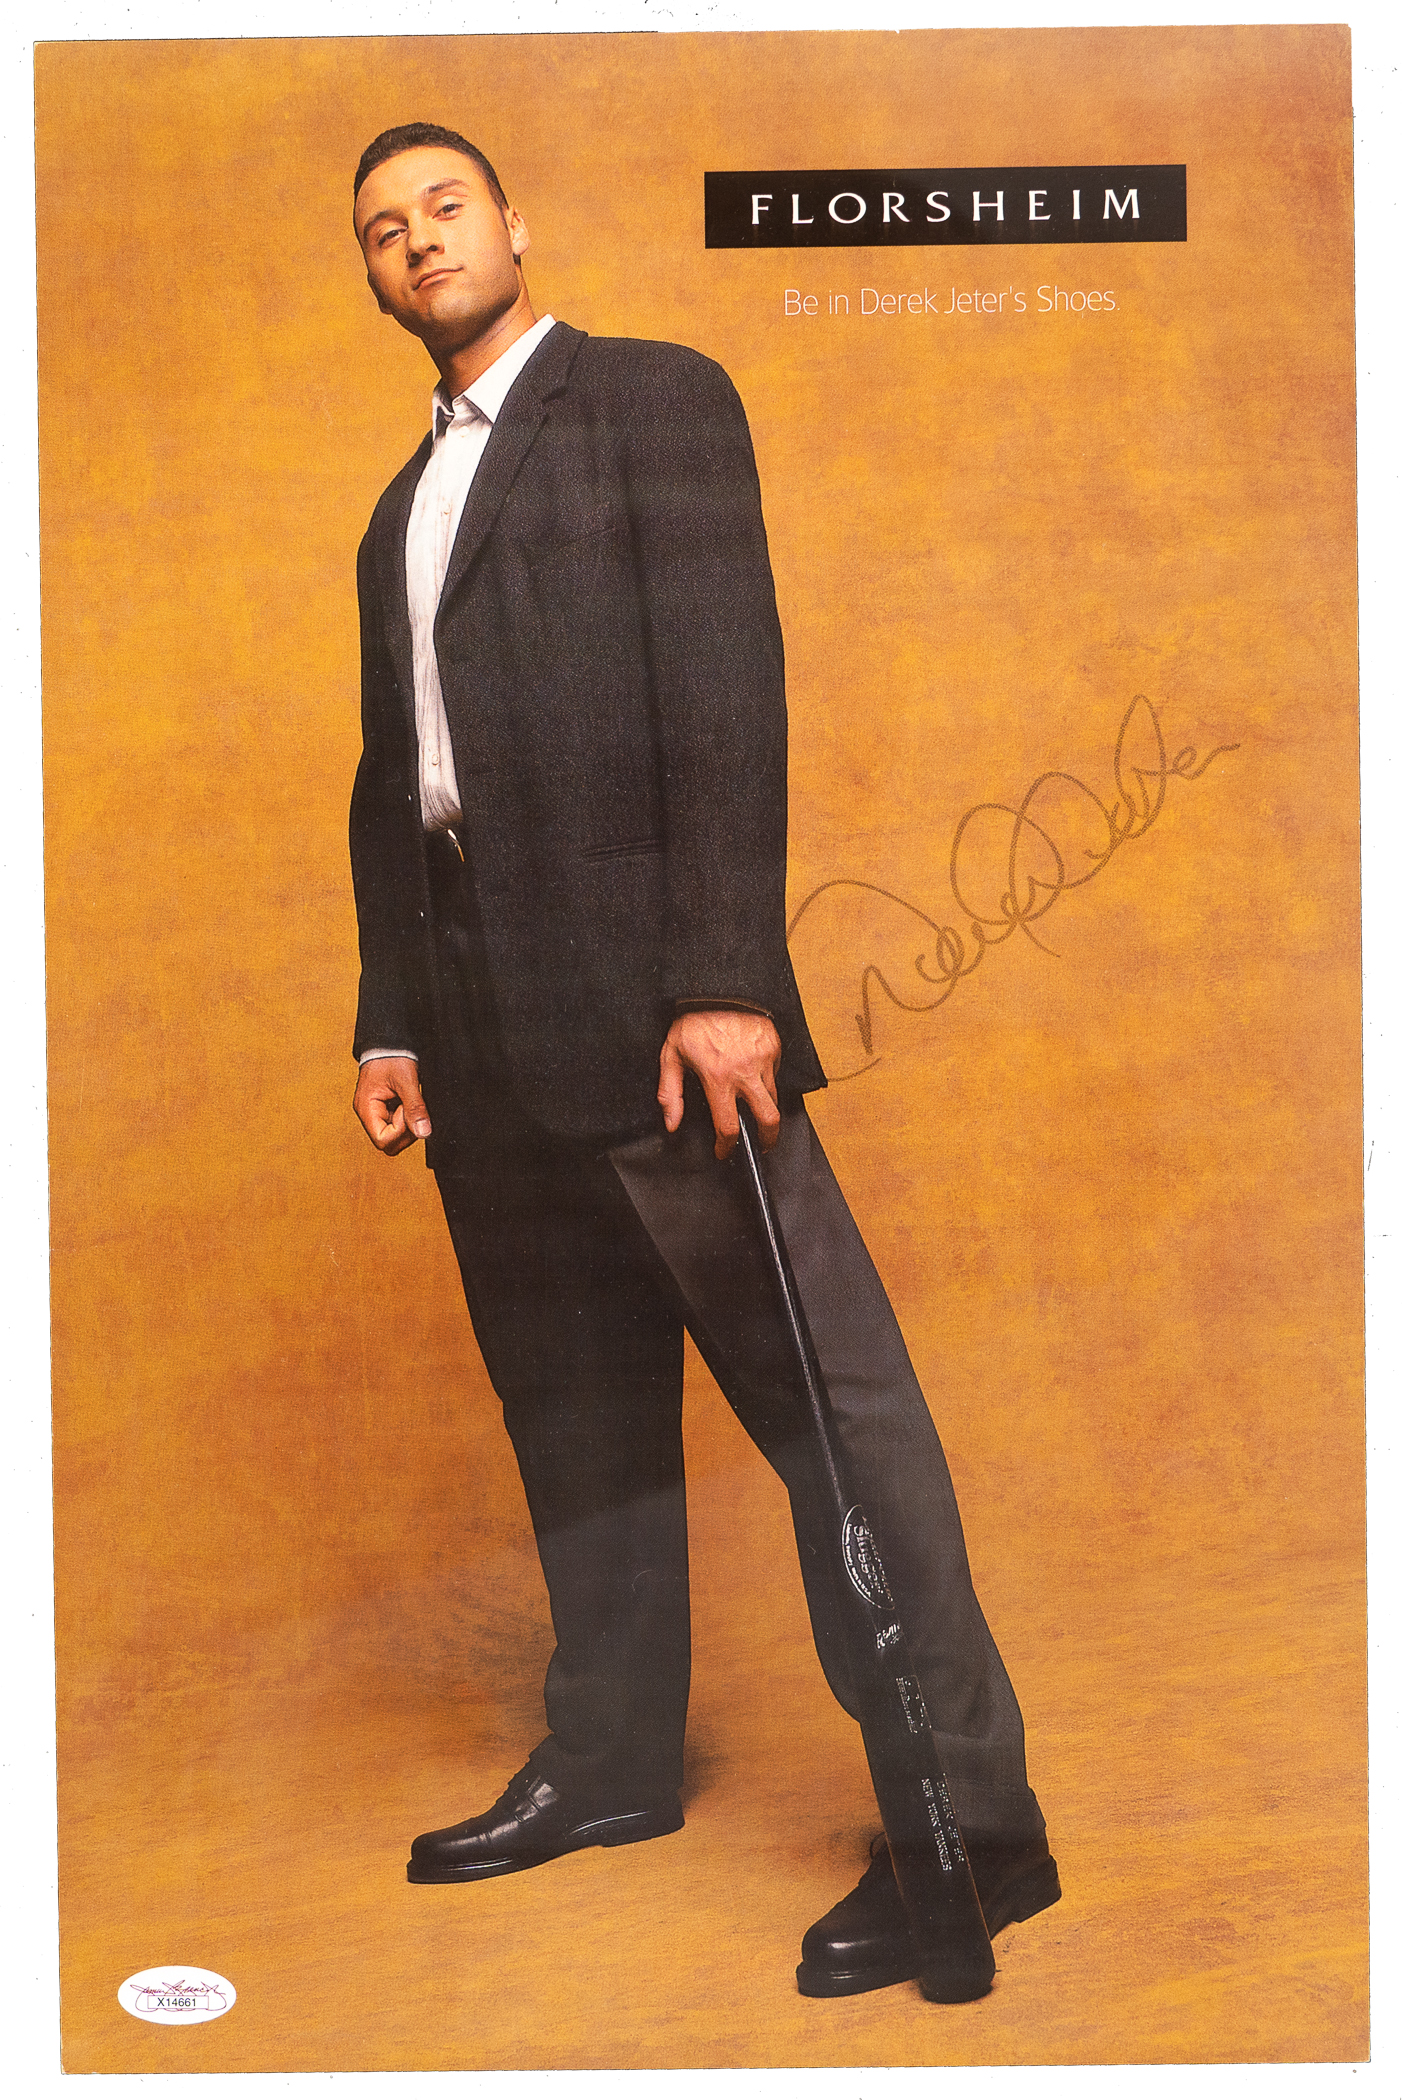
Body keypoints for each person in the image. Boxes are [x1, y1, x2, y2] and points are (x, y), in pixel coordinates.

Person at [347, 121, 1059, 2001]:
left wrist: (725, 976)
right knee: (572, 1420)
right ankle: (609, 1764)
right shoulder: (394, 507)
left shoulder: (651, 399)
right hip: (479, 1039)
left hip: (664, 1023)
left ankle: (975, 1831)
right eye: (383, 230)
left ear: (515, 225)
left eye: (444, 206)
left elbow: (726, 683)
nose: (419, 241)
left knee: (830, 1416)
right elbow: (391, 781)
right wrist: (392, 1016)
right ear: (372, 279)